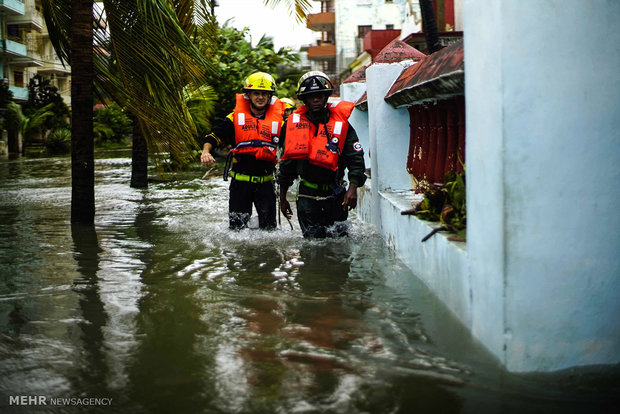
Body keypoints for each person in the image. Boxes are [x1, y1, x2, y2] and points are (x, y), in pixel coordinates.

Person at [277, 71, 367, 238]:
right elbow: (286, 165)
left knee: (340, 247)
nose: (316, 99)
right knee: (312, 248)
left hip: (336, 193)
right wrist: (282, 198)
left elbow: (356, 157)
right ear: (304, 99)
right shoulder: (293, 127)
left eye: (319, 95)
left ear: (326, 97)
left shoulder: (342, 126)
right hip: (307, 196)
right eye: (311, 96)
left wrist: (353, 187)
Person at [201, 72, 285, 230]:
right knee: (236, 231)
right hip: (240, 184)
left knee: (269, 232)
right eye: (256, 93)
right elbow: (213, 135)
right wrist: (206, 152)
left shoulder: (280, 122)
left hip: (266, 184)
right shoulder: (234, 118)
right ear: (249, 95)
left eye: (264, 94)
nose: (260, 97)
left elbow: (293, 144)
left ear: (270, 96)